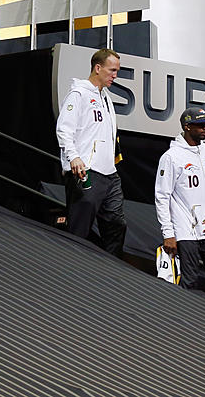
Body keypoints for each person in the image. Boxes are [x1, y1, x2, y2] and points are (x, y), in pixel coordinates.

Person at [55, 48, 126, 256]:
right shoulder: (79, 93)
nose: (115, 75)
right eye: (112, 70)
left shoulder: (107, 99)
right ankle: (73, 268)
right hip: (86, 170)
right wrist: (74, 157)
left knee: (117, 224)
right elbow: (64, 129)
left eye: (117, 71)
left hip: (109, 174)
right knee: (79, 227)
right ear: (98, 68)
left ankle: (111, 268)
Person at [154, 106, 205, 300]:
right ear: (187, 126)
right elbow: (162, 196)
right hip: (185, 230)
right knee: (190, 281)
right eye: (200, 125)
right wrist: (168, 233)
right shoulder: (171, 157)